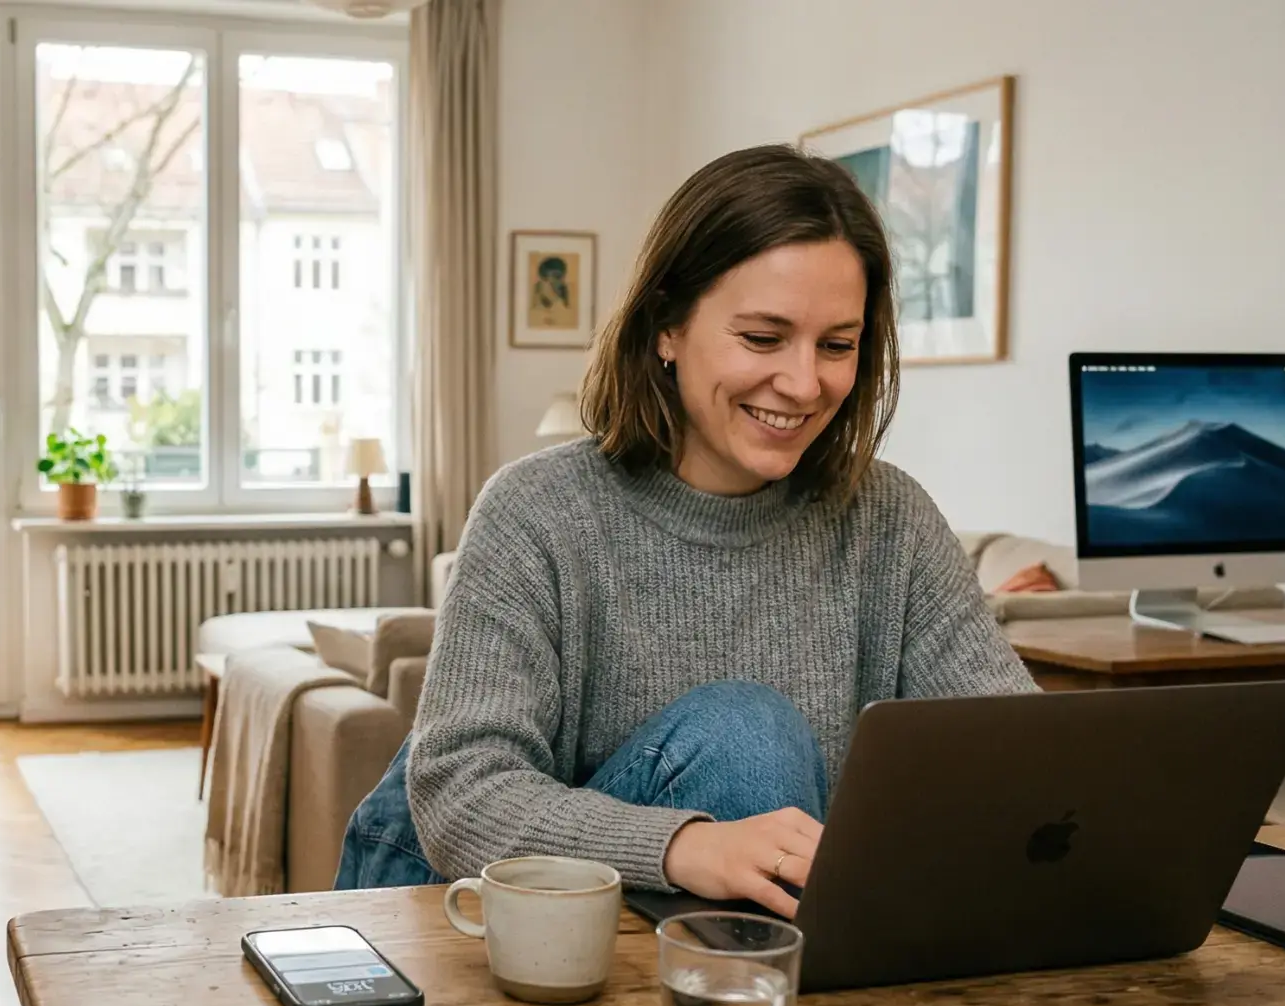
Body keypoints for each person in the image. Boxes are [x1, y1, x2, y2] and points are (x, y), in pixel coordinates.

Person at [335, 144, 1036, 914]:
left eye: (837, 345)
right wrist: (683, 847)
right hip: (506, 923)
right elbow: (461, 795)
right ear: (667, 326)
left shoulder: (891, 519)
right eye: (763, 338)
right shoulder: (536, 510)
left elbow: (1021, 754)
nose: (804, 383)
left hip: (753, 947)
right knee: (746, 735)